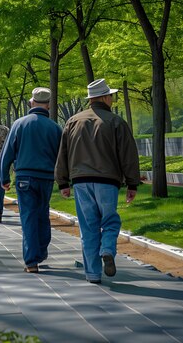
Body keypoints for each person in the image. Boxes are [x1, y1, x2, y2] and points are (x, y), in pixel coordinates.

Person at [55, 79, 140, 284]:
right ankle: (107, 249)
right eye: (111, 95)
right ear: (104, 97)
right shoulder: (116, 122)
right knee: (110, 220)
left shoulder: (73, 121)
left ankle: (93, 274)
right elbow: (128, 155)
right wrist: (132, 183)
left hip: (81, 181)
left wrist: (63, 182)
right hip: (108, 181)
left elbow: (63, 154)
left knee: (88, 227)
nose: (112, 99)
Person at [0, 87, 62, 273]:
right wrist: (64, 180)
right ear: (48, 105)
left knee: (28, 217)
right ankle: (41, 251)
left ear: (32, 102)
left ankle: (32, 260)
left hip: (24, 177)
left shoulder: (19, 124)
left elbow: (7, 153)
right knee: (43, 214)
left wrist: (4, 177)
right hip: (47, 178)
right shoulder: (55, 127)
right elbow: (62, 156)